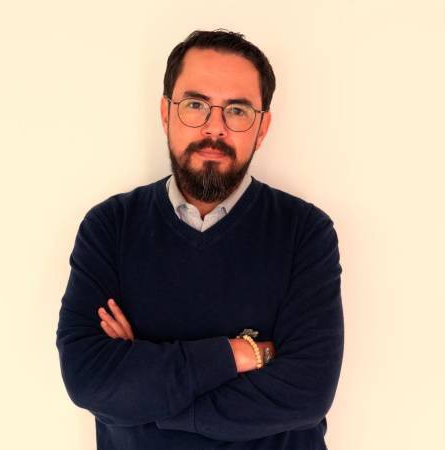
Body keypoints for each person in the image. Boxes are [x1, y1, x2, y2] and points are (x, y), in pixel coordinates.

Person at [56, 29, 344, 450]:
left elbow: (307, 393)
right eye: (195, 105)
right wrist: (239, 354)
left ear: (262, 127)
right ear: (165, 113)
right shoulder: (110, 227)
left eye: (237, 110)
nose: (215, 128)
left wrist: (144, 390)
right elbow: (88, 378)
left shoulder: (306, 233)